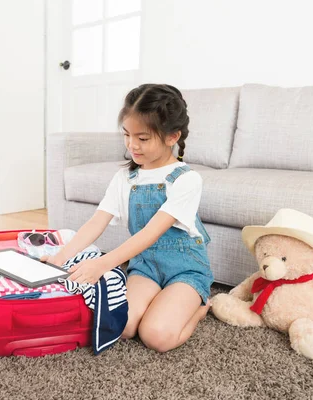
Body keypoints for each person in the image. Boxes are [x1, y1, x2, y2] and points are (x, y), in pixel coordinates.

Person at [43, 83, 213, 353]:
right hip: (145, 266)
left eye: (143, 138)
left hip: (185, 269)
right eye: (127, 135)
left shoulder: (187, 180)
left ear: (172, 137)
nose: (132, 145)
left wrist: (102, 264)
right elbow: (96, 222)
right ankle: (161, 298)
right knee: (124, 327)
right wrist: (59, 258)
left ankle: (201, 306)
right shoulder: (124, 178)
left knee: (155, 336)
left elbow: (151, 233)